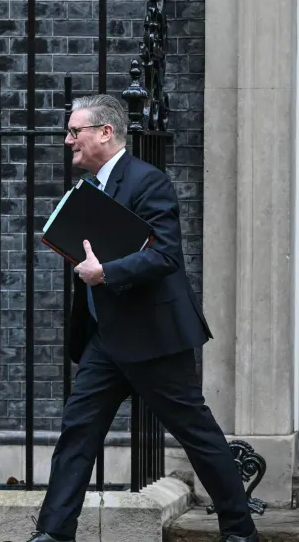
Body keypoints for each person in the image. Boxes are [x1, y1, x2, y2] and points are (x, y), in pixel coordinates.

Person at [27, 94, 259, 542]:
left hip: (153, 336)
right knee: (78, 432)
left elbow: (166, 255)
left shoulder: (148, 182)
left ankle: (240, 531)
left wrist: (105, 273)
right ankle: (53, 534)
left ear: (106, 133)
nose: (68, 140)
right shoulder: (90, 189)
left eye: (76, 131)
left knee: (198, 435)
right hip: (105, 339)